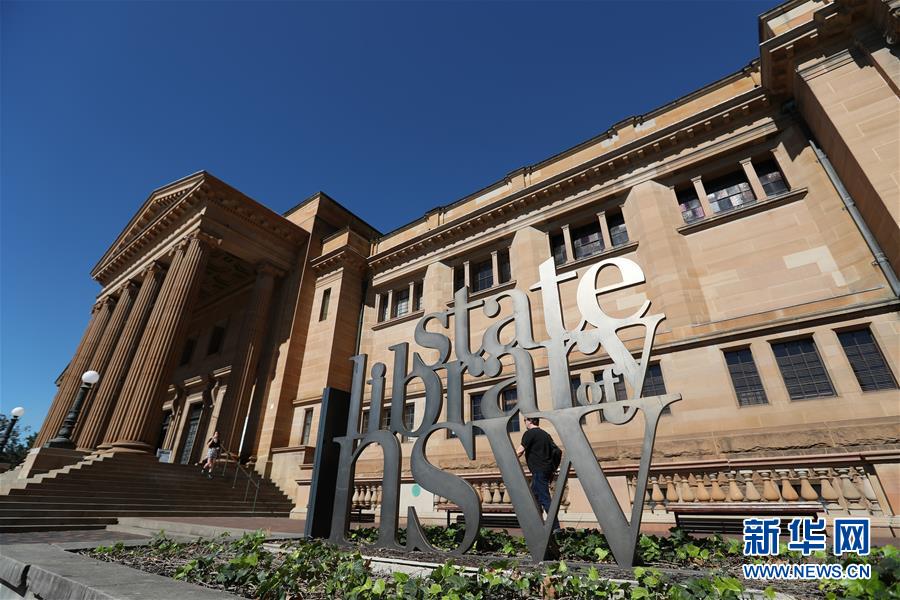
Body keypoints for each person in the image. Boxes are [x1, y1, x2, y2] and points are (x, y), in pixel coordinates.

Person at [516, 417, 561, 532]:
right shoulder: (545, 434)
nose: (524, 422)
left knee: (544, 498)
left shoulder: (530, 433)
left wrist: (506, 461)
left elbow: (519, 451)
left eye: (525, 420)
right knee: (534, 498)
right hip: (546, 470)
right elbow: (557, 451)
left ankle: (556, 527)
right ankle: (537, 526)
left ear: (530, 421)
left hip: (538, 471)